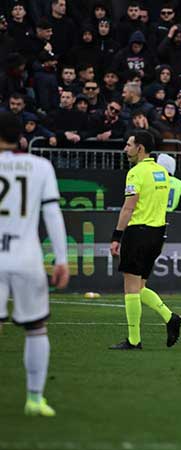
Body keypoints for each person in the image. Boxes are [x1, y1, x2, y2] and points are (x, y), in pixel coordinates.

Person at [0, 111, 69, 416]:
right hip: (27, 258)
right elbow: (52, 213)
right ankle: (35, 399)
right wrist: (62, 259)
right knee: (36, 328)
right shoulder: (41, 166)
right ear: (21, 137)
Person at [109, 131, 181, 350]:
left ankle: (134, 340)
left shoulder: (135, 173)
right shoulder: (162, 172)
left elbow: (128, 207)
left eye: (129, 145)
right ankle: (170, 317)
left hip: (138, 232)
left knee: (131, 289)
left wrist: (116, 236)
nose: (126, 149)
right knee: (140, 287)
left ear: (139, 148)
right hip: (157, 234)